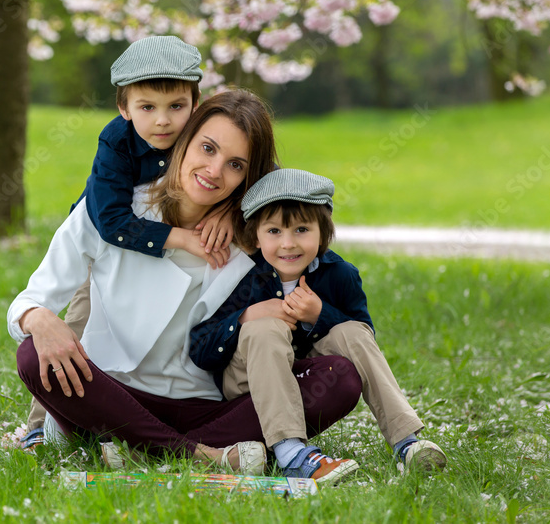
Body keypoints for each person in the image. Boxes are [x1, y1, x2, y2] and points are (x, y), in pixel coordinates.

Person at [8, 94, 363, 474]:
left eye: (235, 165)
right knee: (33, 355)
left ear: (249, 177)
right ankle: (198, 455)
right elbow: (30, 300)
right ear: (184, 138)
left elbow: (315, 266)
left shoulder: (257, 239)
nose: (213, 171)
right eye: (207, 148)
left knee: (338, 378)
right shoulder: (113, 211)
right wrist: (38, 318)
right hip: (114, 394)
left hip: (209, 406)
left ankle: (138, 447)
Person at [20, 36, 235, 450]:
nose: (163, 121)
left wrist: (229, 209)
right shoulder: (116, 141)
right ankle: (39, 425)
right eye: (147, 108)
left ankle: (165, 413)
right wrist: (181, 239)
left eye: (176, 106)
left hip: (155, 246)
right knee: (73, 327)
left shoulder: (206, 132)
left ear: (196, 102)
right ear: (124, 109)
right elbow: (112, 221)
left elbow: (253, 168)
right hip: (103, 239)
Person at [189, 168, 447, 483]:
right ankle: (291, 453)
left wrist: (319, 315)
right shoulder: (242, 277)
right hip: (247, 381)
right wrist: (246, 315)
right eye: (274, 231)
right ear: (255, 234)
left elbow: (363, 341)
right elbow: (201, 349)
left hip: (306, 377)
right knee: (266, 327)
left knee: (351, 330)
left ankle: (406, 441)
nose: (287, 244)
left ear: (322, 233)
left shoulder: (340, 275)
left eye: (301, 229)